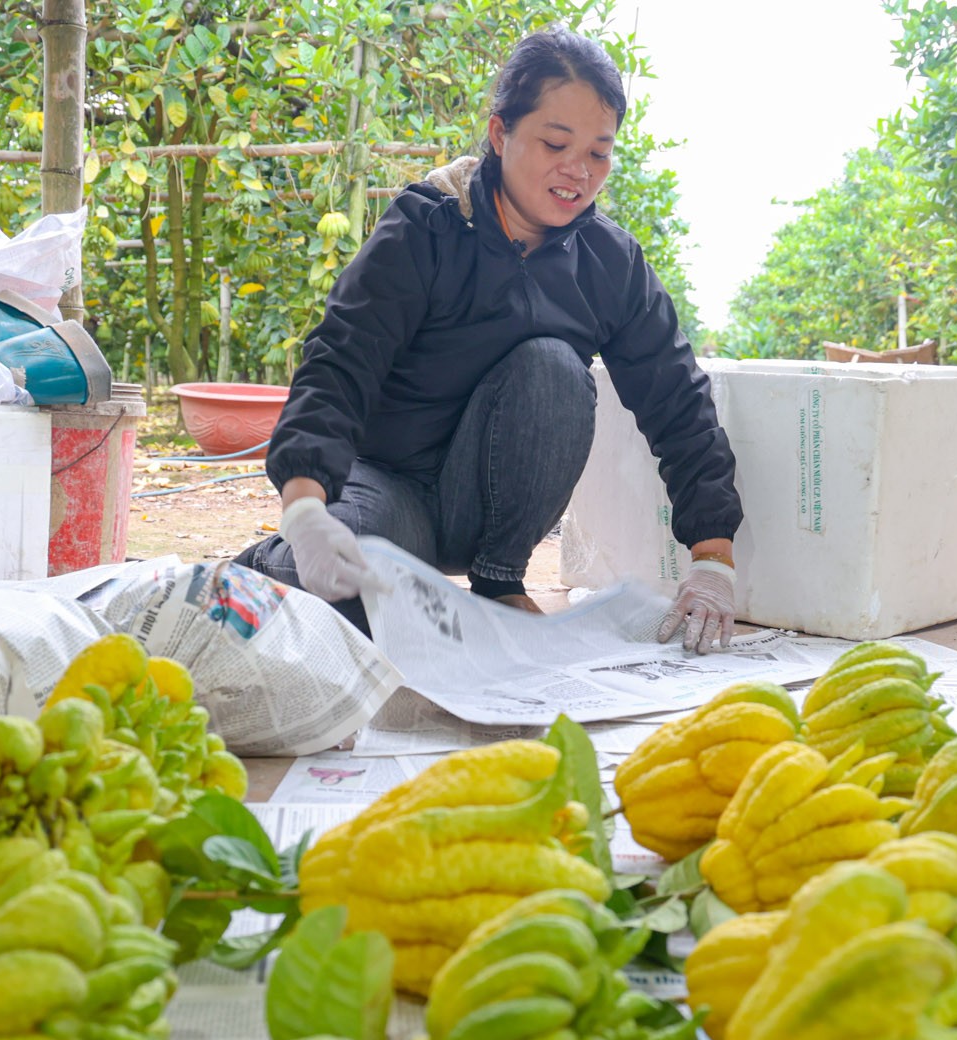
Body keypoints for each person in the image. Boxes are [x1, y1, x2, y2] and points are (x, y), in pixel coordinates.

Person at [235, 28, 743, 653]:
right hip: (386, 488)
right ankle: (265, 563)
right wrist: (305, 509)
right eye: (555, 143)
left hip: (485, 510)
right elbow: (340, 361)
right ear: (501, 134)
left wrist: (713, 561)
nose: (578, 170)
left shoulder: (609, 262)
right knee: (351, 592)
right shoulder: (427, 226)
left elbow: (678, 400)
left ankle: (499, 582)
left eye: (599, 152)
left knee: (554, 366)